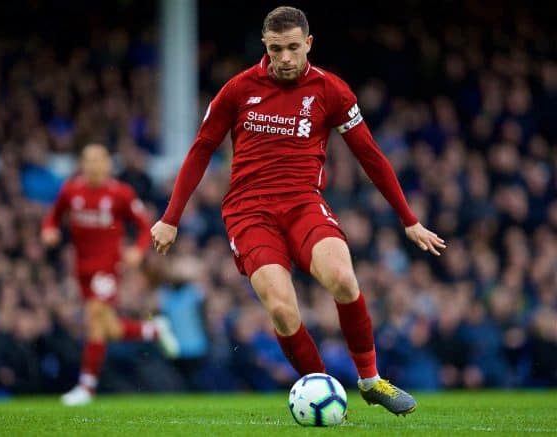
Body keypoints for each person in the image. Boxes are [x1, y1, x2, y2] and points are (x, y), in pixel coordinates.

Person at [151, 6, 445, 416]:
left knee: (344, 278)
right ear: (265, 46)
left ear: (308, 43)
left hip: (304, 203)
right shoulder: (237, 90)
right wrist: (171, 217)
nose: (285, 58)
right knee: (282, 310)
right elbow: (201, 149)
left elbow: (371, 156)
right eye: (276, 49)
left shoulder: (331, 90)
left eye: (293, 48)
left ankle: (371, 380)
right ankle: (326, 393)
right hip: (248, 212)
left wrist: (409, 219)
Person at [42, 143, 179, 406]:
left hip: (108, 268)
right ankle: (150, 330)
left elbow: (143, 225)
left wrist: (138, 251)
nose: (94, 166)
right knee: (108, 328)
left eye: (99, 160)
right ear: (82, 164)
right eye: (89, 160)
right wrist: (49, 230)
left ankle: (86, 387)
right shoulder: (71, 191)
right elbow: (53, 216)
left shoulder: (120, 194)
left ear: (108, 164)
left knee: (94, 317)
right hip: (82, 269)